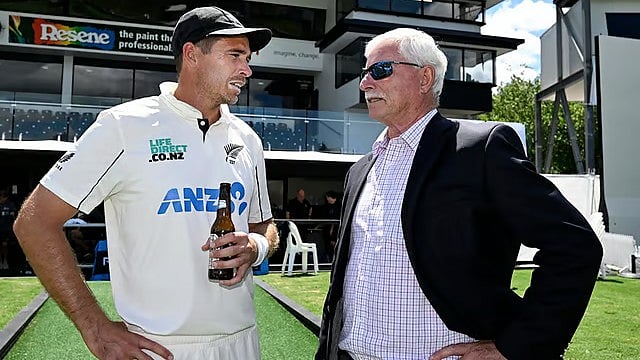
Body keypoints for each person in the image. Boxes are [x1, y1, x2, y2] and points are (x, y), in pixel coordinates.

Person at [316, 28, 603, 360]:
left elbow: (574, 246)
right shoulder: (359, 171)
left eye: (380, 70)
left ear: (425, 78)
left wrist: (518, 345)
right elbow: (340, 286)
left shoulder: (480, 149)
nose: (365, 83)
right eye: (364, 73)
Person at [13, 6, 278, 360]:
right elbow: (34, 222)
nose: (247, 70)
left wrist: (257, 246)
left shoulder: (248, 139)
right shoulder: (124, 126)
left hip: (244, 343)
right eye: (235, 56)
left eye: (247, 58)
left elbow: (265, 225)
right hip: (159, 347)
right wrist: (95, 327)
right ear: (191, 54)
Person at [0, 189, 17, 270]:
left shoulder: (10, 205)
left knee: (5, 245)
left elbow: (14, 216)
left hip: (6, 229)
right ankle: (0, 261)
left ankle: (5, 261)